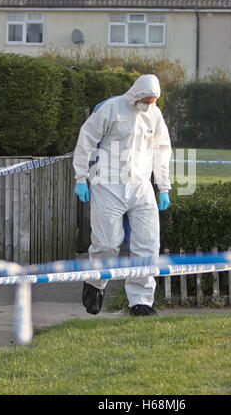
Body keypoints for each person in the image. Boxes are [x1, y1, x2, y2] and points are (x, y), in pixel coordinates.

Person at [73, 74, 172, 316]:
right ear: (136, 94)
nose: (149, 104)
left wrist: (164, 187)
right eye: (147, 99)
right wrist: (81, 177)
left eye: (154, 100)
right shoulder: (111, 109)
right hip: (107, 185)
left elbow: (162, 150)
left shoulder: (154, 116)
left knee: (148, 245)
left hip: (141, 186)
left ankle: (141, 302)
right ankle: (95, 283)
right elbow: (86, 139)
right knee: (107, 243)